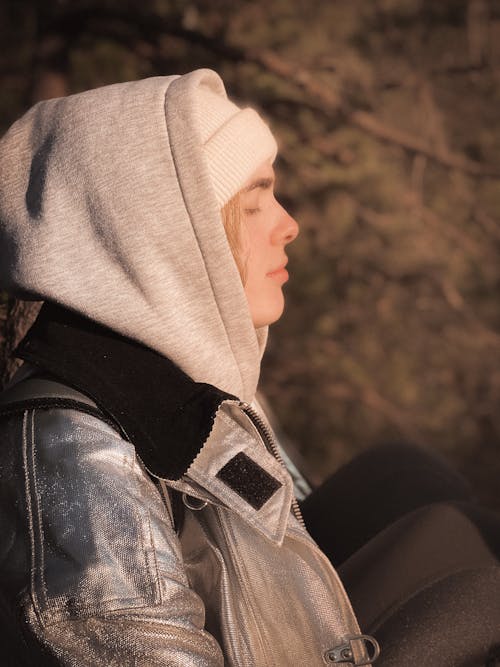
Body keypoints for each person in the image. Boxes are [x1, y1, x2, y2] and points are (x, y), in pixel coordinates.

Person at [0, 68, 499, 666]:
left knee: (405, 476)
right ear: (166, 237)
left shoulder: (160, 383)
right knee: (483, 595)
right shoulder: (73, 456)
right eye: (254, 203)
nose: (289, 225)